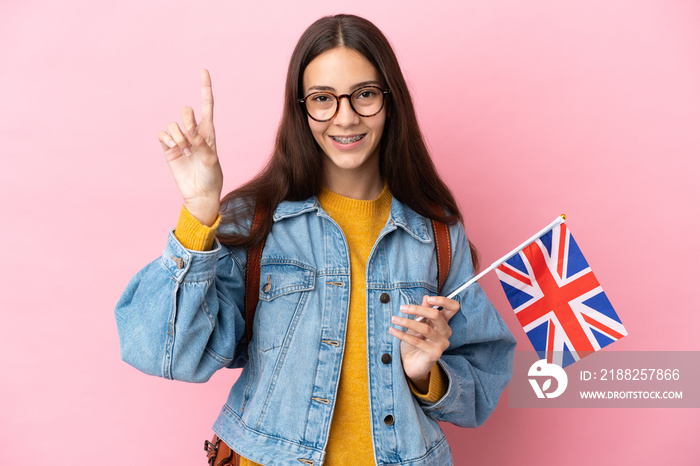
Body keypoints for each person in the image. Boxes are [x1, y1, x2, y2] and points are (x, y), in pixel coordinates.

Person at [116, 14, 516, 466]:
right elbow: (159, 351)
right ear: (301, 107)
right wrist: (200, 210)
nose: (345, 118)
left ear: (390, 101)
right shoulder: (257, 221)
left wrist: (427, 375)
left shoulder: (436, 232)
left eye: (364, 94)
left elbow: (484, 382)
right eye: (323, 99)